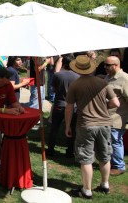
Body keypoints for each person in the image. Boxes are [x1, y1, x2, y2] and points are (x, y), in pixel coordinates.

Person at [65, 55, 119, 199]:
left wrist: (67, 126)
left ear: (77, 69)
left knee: (86, 158)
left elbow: (69, 108)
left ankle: (87, 190)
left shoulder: (75, 85)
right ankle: (105, 184)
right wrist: (104, 108)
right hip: (105, 123)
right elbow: (116, 103)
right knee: (104, 156)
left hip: (86, 125)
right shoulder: (103, 82)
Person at [46, 55, 79, 158]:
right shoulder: (78, 77)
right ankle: (70, 151)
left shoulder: (58, 75)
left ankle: (50, 150)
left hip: (60, 104)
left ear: (63, 63)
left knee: (54, 128)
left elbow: (53, 90)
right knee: (72, 129)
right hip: (73, 106)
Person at [104, 55, 128, 176]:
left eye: (108, 65)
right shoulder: (108, 77)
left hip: (118, 118)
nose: (105, 67)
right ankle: (113, 163)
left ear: (116, 65)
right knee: (110, 141)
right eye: (105, 65)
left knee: (116, 141)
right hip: (107, 116)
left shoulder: (124, 79)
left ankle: (119, 166)